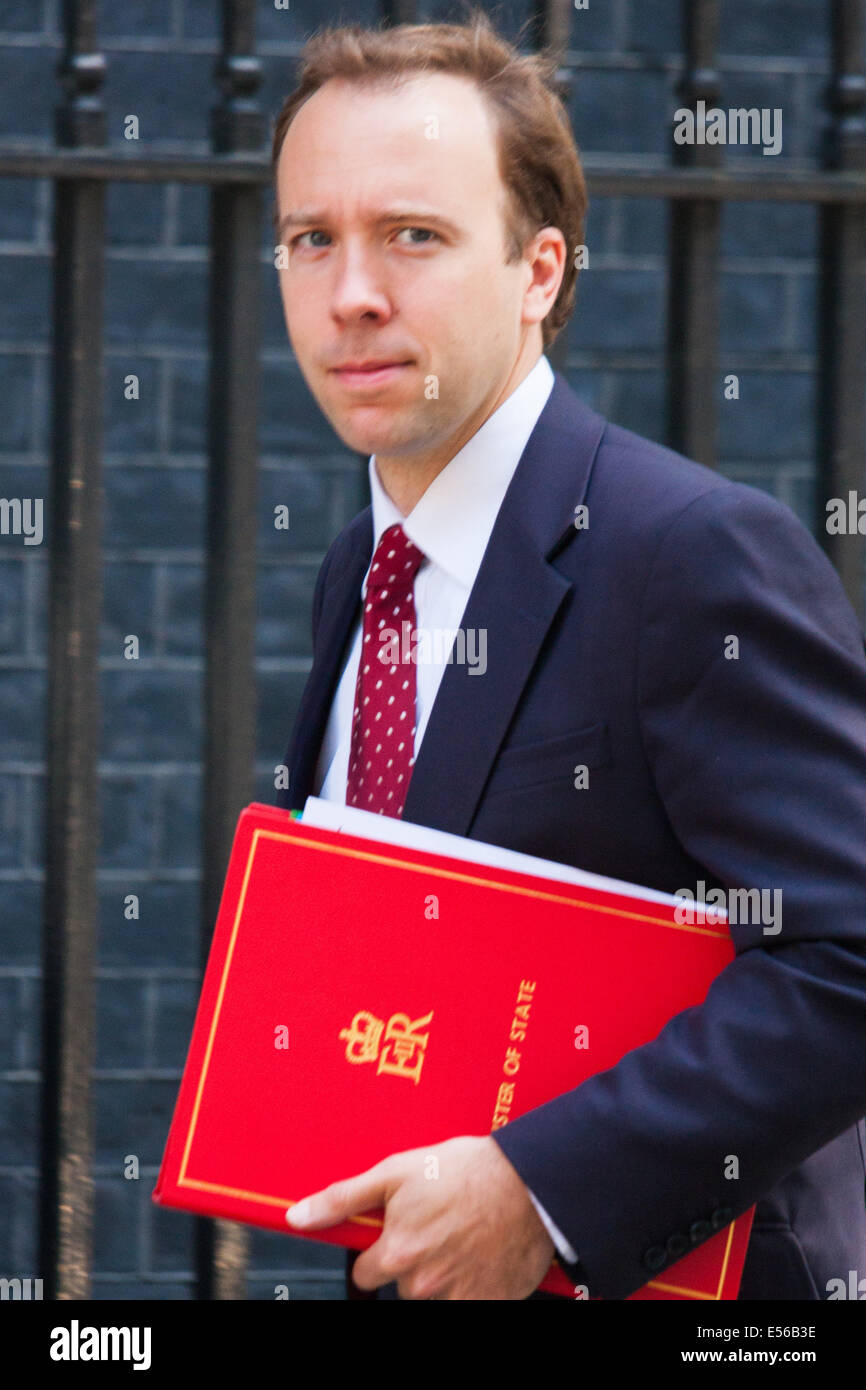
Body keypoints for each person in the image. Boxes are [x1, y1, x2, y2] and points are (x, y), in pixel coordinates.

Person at [271, 11, 866, 1300]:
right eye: (312, 237)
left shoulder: (694, 554)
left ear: (539, 272)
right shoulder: (357, 572)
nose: (351, 291)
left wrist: (541, 1190)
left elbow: (848, 952)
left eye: (413, 236)